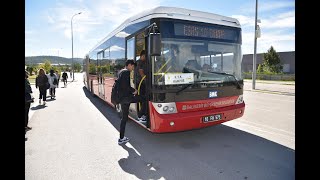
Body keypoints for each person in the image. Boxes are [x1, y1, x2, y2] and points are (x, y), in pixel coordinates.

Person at [118, 60, 145, 145]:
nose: (133, 69)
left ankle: (121, 138)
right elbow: (126, 86)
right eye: (133, 67)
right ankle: (140, 116)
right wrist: (134, 90)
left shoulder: (121, 72)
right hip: (127, 98)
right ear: (129, 65)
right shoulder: (126, 72)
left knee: (124, 118)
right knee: (144, 98)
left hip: (122, 99)